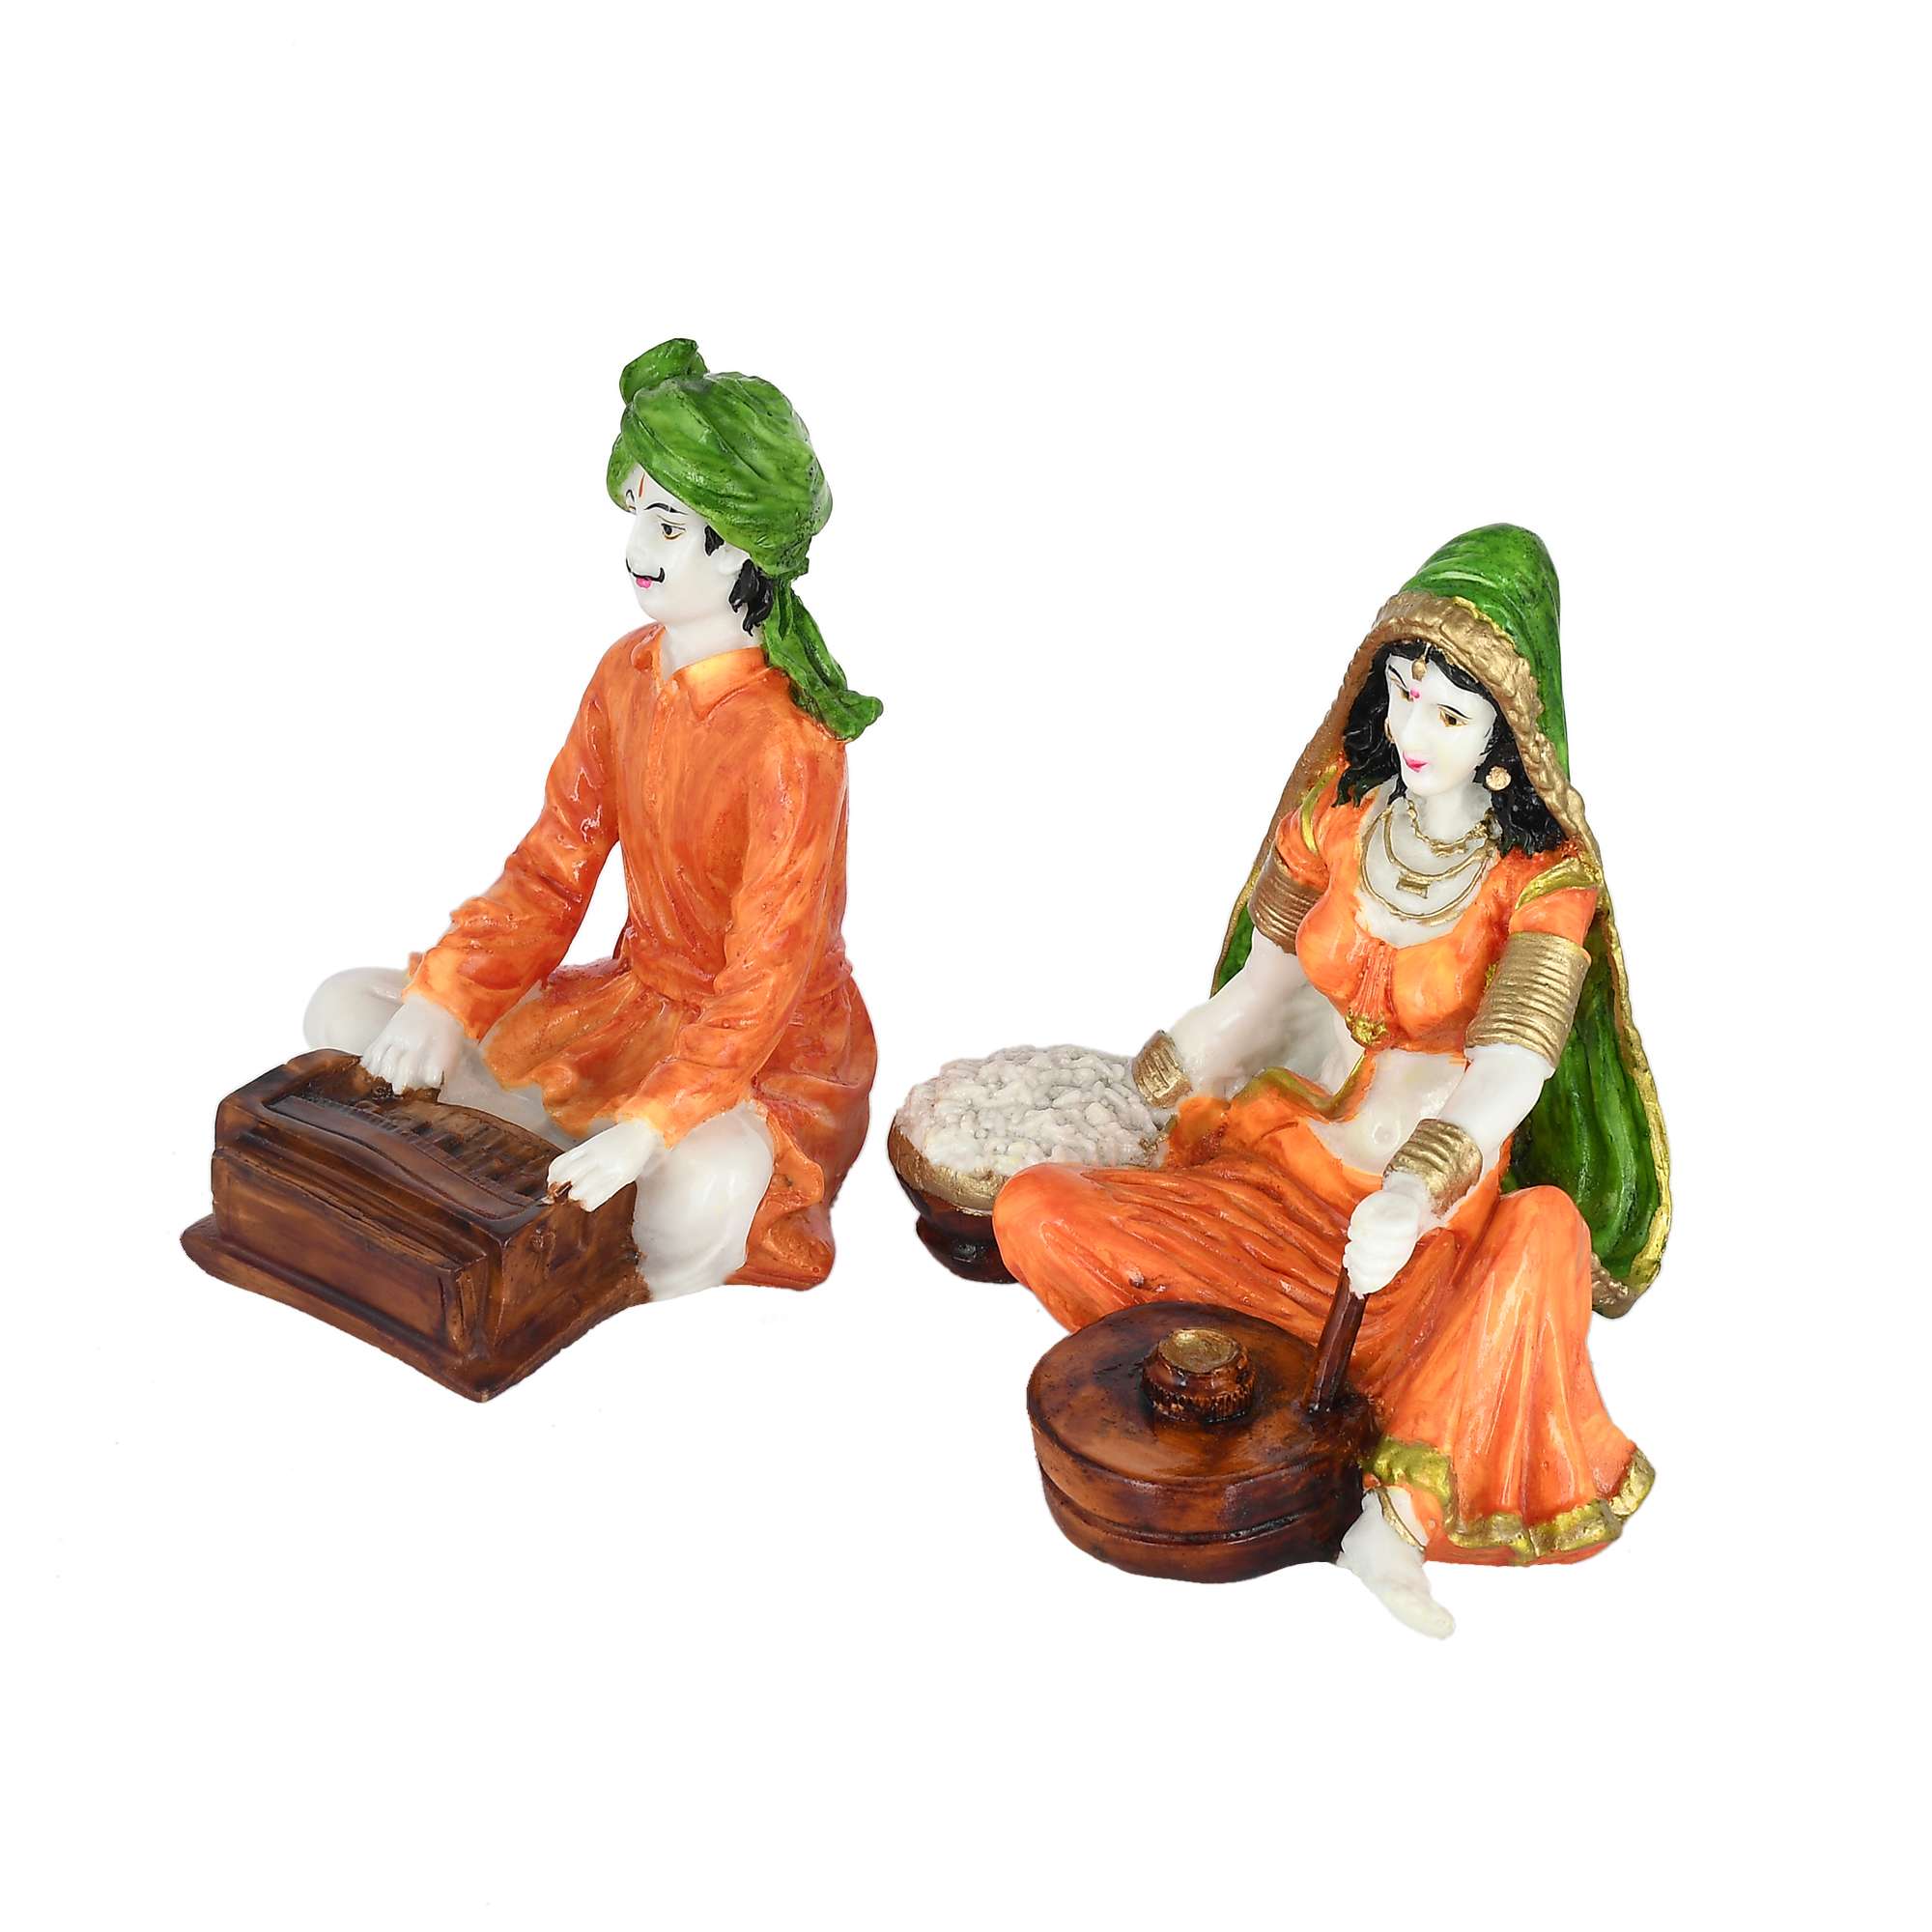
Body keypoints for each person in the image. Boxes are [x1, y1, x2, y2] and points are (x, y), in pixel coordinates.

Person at [991, 526, 1668, 1635]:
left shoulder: (1542, 883)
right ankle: (1257, 1393)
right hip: (1278, 1178)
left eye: (1449, 715)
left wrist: (1412, 1190)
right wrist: (1138, 1080)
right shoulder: (1333, 819)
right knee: (1034, 1208)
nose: (1410, 730)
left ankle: (1388, 1499)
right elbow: (1254, 999)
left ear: (1509, 736)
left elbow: (1510, 1065)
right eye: (1401, 693)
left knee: (1542, 1234)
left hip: (1413, 1241)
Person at [306, 339, 879, 1299]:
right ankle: (543, 1154)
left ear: (741, 544)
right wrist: (447, 999)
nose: (635, 550)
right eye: (638, 515)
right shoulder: (626, 673)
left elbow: (767, 973)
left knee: (700, 1191)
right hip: (627, 1009)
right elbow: (551, 868)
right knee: (345, 1010)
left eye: (668, 525)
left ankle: (564, 1162)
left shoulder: (792, 742)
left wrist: (651, 1127)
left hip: (764, 1056)